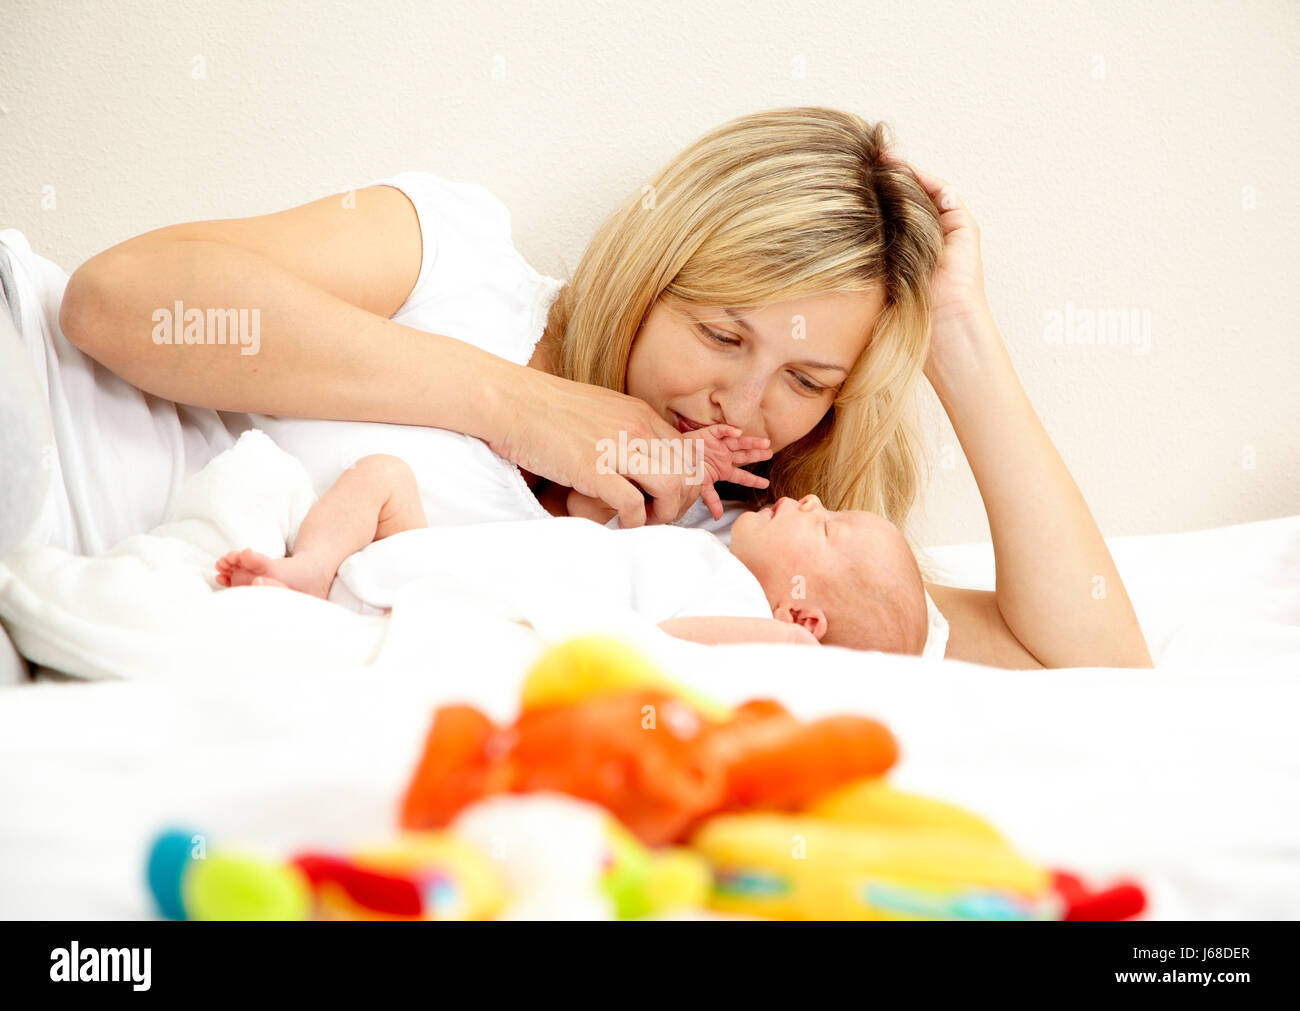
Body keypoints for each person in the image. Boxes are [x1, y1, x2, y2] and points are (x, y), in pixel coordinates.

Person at [43, 106, 1150, 669]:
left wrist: (952, 324)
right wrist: (517, 407)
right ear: (654, 264)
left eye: (807, 378)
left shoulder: (721, 556)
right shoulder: (454, 255)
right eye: (720, 332)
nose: (743, 405)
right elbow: (118, 299)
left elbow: (1095, 657)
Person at [214, 444, 929, 656]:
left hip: (475, 617)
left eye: (829, 528)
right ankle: (306, 570)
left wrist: (785, 647)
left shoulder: (751, 622)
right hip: (437, 561)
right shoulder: (699, 549)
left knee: (382, 480)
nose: (810, 501)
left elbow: (659, 646)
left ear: (804, 619)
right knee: (382, 473)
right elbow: (591, 519)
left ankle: (315, 589)